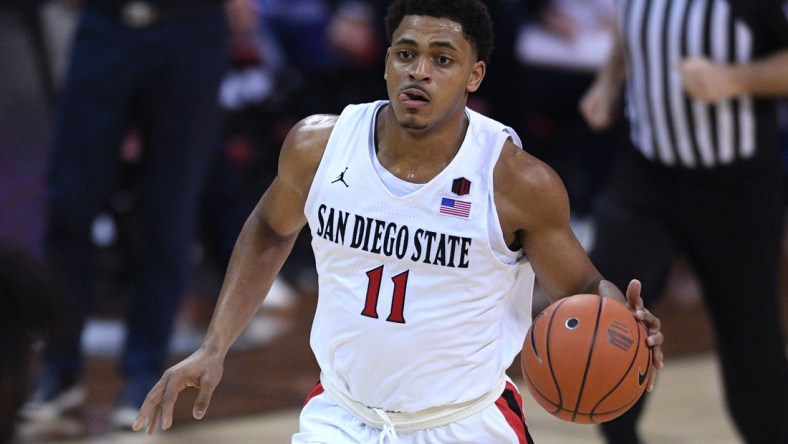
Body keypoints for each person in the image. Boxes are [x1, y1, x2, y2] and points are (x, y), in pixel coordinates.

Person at [133, 0, 664, 442]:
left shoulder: (515, 182)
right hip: (341, 417)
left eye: (442, 58)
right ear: (387, 61)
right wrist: (214, 345)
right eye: (407, 54)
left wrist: (627, 326)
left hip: (464, 424)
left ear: (474, 75)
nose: (420, 71)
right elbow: (271, 229)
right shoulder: (319, 146)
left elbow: (584, 288)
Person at [18, 0, 247, 429]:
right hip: (105, 25)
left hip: (189, 31)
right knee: (69, 206)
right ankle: (59, 370)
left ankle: (144, 373)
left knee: (170, 213)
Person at [580, 1, 788, 443]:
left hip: (736, 184)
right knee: (612, 310)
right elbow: (629, 24)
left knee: (749, 337)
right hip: (646, 171)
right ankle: (620, 437)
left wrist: (735, 79)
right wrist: (608, 82)